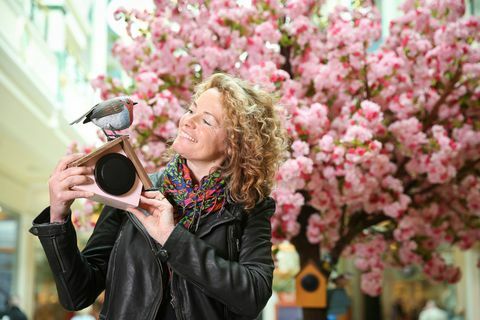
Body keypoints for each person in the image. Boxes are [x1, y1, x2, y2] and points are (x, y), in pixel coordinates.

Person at [29, 73, 288, 320]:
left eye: (207, 120)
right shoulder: (134, 187)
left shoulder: (251, 206)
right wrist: (57, 217)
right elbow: (77, 295)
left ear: (235, 143)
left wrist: (171, 238)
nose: (187, 121)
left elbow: (253, 294)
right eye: (191, 110)